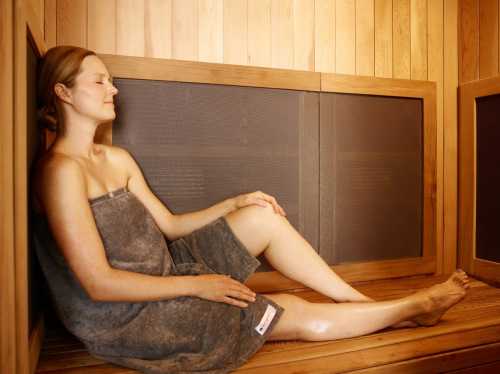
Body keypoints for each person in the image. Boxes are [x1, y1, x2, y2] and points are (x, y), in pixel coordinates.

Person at [31, 45, 470, 374]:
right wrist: (197, 286)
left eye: (111, 80)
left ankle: (364, 306)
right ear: (63, 92)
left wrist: (237, 202)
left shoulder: (117, 159)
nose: (114, 88)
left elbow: (169, 224)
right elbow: (98, 283)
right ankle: (411, 309)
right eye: (100, 81)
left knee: (262, 216)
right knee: (279, 310)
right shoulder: (60, 172)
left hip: (167, 271)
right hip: (126, 314)